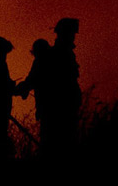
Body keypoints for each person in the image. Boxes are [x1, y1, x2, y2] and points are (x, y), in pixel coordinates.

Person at [17, 18, 82, 158]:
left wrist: (22, 89)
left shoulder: (63, 54)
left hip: (64, 111)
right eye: (71, 33)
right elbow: (34, 79)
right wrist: (22, 88)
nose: (73, 37)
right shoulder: (53, 55)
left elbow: (32, 80)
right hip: (56, 112)